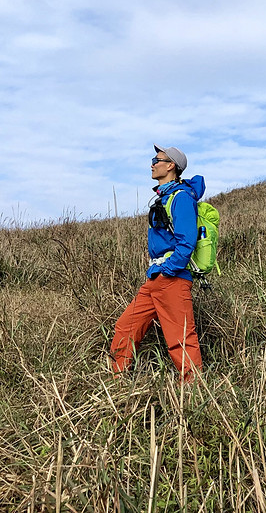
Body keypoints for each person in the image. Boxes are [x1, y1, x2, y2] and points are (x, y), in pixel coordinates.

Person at [109, 145, 205, 383]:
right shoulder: (166, 196)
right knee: (125, 327)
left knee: (180, 338)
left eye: (157, 160)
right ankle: (117, 382)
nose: (152, 164)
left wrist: (168, 269)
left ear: (171, 165)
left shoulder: (181, 197)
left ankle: (194, 391)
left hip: (171, 279)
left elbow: (187, 241)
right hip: (155, 279)